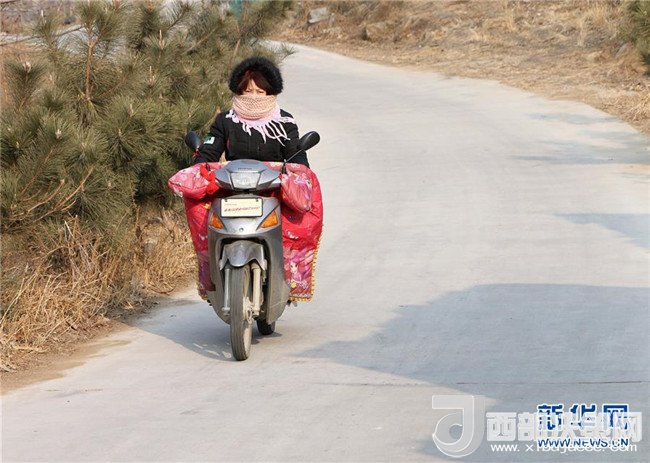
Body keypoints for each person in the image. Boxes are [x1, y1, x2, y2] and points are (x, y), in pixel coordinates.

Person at [193, 56, 309, 167]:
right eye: (248, 91)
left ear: (269, 93)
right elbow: (209, 151)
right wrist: (198, 167)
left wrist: (302, 171)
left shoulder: (284, 121)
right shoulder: (224, 120)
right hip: (231, 179)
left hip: (275, 179)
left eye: (260, 92)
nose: (254, 97)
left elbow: (295, 154)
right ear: (240, 91)